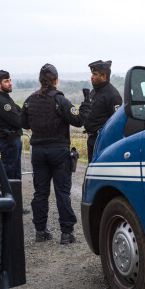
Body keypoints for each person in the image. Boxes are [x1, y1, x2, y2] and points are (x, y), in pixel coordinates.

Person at [21, 63, 90, 244]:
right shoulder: (59, 100)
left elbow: (24, 123)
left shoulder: (30, 100)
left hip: (38, 152)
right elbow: (79, 119)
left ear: (40, 80)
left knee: (40, 192)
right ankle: (66, 233)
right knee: (62, 193)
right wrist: (86, 103)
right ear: (56, 81)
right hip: (58, 152)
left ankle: (40, 230)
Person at [83, 60, 123, 162]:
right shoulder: (93, 92)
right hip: (91, 140)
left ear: (104, 76)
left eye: (95, 74)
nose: (92, 77)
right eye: (92, 74)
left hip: (103, 141)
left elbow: (117, 123)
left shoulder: (113, 95)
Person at [0, 70, 23, 180]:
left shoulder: (5, 98)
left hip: (12, 141)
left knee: (15, 174)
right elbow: (18, 121)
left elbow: (20, 111)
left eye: (10, 80)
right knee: (10, 175)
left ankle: (15, 197)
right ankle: (10, 197)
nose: (10, 83)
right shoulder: (1, 101)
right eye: (6, 81)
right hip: (9, 142)